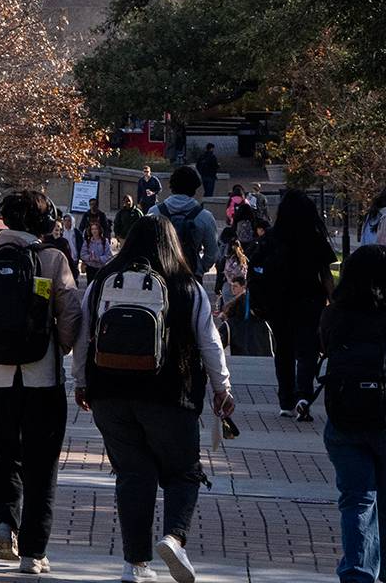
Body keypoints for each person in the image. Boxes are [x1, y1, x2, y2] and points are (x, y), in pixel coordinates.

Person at [75, 214, 234, 583]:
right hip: (169, 394)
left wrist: (81, 382)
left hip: (109, 393)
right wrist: (221, 388)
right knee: (183, 472)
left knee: (133, 474)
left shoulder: (103, 280)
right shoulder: (185, 285)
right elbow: (210, 342)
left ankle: (135, 565)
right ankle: (174, 537)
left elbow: (83, 336)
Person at [0, 189, 83, 575]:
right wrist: (63, 348)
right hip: (42, 375)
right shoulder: (52, 259)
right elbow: (69, 311)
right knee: (42, 462)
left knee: (5, 453)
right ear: (42, 223)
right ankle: (33, 552)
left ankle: (4, 521)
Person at [320, 244, 386, 583]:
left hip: (345, 417)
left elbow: (325, 347)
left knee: (356, 500)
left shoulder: (335, 314)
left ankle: (358, 572)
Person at [250, 188, 337, 422]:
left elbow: (257, 269)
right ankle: (303, 395)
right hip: (309, 300)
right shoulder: (314, 238)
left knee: (284, 350)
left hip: (278, 302)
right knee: (307, 350)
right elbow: (325, 274)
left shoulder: (271, 237)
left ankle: (286, 400)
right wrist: (333, 301)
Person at [157, 165, 222, 288]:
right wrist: (200, 268)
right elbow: (212, 253)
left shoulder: (154, 212)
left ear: (171, 186)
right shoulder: (205, 217)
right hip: (191, 277)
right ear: (195, 189)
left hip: (161, 278)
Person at [76, 207, 116, 280]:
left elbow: (109, 255)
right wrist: (89, 258)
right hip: (90, 267)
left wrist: (99, 258)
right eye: (92, 229)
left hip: (101, 268)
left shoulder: (105, 241)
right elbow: (82, 254)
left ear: (99, 230)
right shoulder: (87, 241)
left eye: (96, 229)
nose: (94, 231)